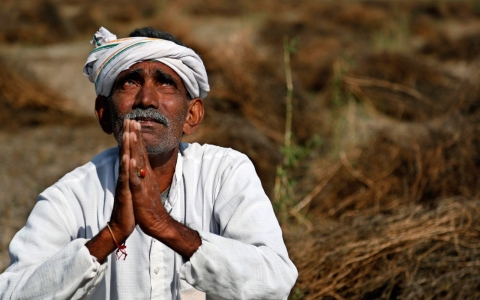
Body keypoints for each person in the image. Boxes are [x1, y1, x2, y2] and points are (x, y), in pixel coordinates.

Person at [0, 27, 298, 299]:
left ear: (192, 116)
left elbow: (275, 281)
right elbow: (12, 292)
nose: (146, 99)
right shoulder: (70, 197)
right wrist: (110, 235)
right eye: (130, 82)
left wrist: (165, 227)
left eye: (165, 83)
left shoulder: (225, 173)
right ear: (104, 113)